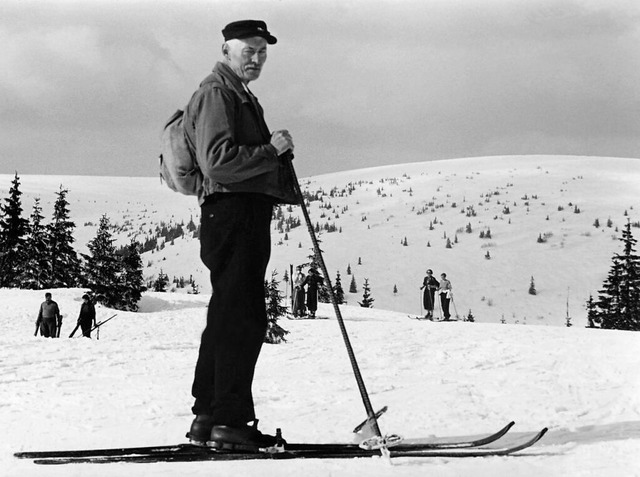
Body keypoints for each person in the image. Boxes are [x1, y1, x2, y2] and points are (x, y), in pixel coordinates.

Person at [184, 20, 298, 449]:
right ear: (227, 50)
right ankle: (229, 422)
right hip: (234, 212)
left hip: (234, 212)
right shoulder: (219, 93)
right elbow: (217, 162)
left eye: (262, 51)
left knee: (228, 314)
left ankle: (209, 416)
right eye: (248, 50)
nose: (256, 57)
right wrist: (272, 151)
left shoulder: (236, 94)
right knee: (242, 318)